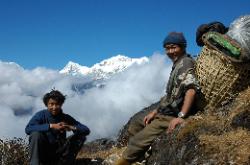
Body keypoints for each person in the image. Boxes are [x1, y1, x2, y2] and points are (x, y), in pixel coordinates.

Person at [115, 32, 199, 165]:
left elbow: (191, 90)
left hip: (171, 115)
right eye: (167, 48)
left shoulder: (186, 64)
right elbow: (171, 94)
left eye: (174, 47)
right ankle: (139, 158)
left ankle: (125, 160)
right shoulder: (177, 64)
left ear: (183, 47)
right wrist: (155, 111)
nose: (170, 51)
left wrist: (181, 116)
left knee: (137, 141)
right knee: (136, 124)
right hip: (164, 111)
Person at [25, 90, 90, 165]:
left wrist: (70, 127)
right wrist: (51, 126)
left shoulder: (65, 117)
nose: (54, 107)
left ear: (61, 104)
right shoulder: (41, 115)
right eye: (51, 104)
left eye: (57, 104)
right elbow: (28, 129)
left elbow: (86, 130)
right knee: (36, 135)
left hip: (60, 152)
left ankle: (67, 162)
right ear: (47, 104)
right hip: (44, 152)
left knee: (80, 136)